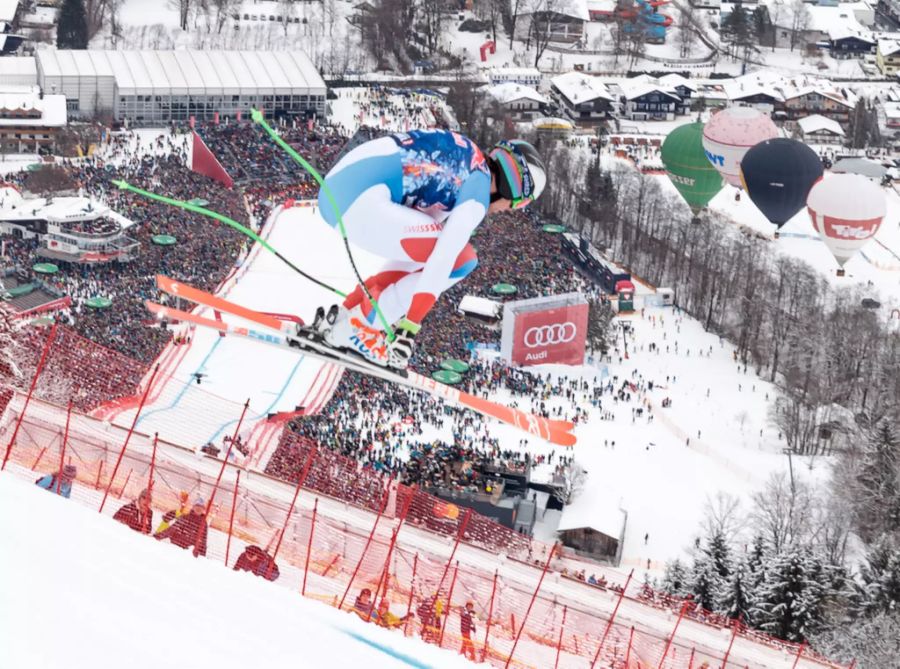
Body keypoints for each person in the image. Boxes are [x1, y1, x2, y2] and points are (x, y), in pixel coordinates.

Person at [316, 131, 546, 369]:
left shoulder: (466, 160)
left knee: (436, 251)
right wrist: (410, 327)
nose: (508, 210)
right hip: (356, 202)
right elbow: (444, 258)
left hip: (339, 191)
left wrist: (355, 301)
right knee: (463, 260)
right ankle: (364, 327)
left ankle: (352, 316)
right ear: (513, 187)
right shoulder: (477, 193)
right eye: (517, 204)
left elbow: (415, 258)